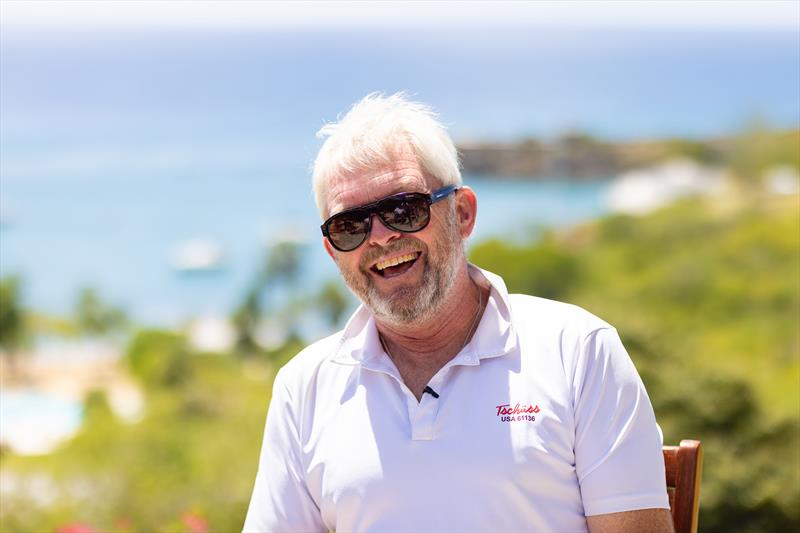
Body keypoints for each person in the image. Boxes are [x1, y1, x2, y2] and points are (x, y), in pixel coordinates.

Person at [243, 93, 673, 532]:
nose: (380, 238)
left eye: (402, 210)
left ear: (463, 213)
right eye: (350, 226)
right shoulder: (304, 388)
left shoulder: (577, 352)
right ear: (333, 251)